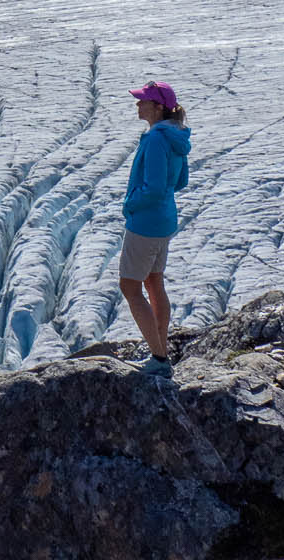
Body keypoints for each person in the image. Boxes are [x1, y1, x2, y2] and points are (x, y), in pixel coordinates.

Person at [118, 79, 191, 375]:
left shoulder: (156, 139)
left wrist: (130, 203)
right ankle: (160, 352)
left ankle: (159, 359)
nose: (138, 104)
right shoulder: (176, 135)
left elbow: (155, 187)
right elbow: (181, 181)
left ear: (158, 107)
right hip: (165, 220)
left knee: (130, 287)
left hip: (146, 222)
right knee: (153, 282)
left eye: (143, 100)